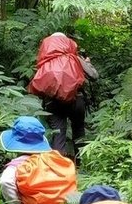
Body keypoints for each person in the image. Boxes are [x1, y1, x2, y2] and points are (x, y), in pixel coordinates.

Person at [28, 32, 98, 163]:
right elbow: (94, 76)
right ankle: (81, 166)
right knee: (79, 131)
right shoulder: (75, 58)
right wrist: (88, 64)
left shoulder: (45, 62)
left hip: (54, 103)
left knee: (58, 135)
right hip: (77, 100)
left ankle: (58, 168)